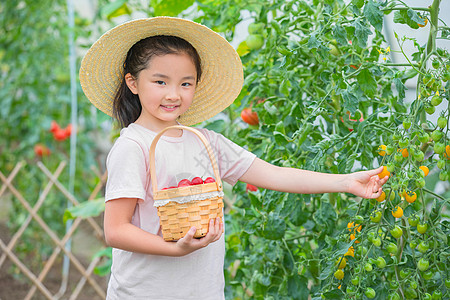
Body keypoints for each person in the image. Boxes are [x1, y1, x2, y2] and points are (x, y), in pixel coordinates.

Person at [79, 17, 388, 300]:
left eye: (185, 83)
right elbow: (115, 230)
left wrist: (347, 181)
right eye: (160, 82)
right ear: (133, 82)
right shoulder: (133, 146)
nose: (174, 94)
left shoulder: (206, 143)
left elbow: (276, 175)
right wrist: (173, 250)